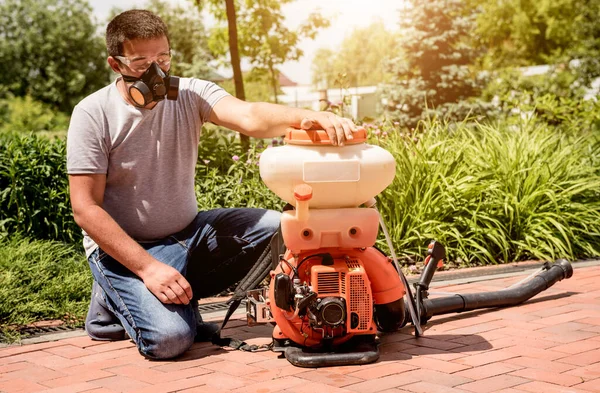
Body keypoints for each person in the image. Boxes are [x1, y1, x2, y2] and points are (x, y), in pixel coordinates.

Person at [66, 9, 363, 360]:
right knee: (170, 340)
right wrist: (148, 268)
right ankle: (111, 301)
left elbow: (251, 116)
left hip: (190, 233)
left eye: (163, 57)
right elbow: (85, 208)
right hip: (128, 250)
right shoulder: (93, 113)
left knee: (279, 230)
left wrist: (312, 117)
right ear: (115, 65)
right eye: (140, 62)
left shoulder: (189, 93)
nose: (156, 71)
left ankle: (169, 296)